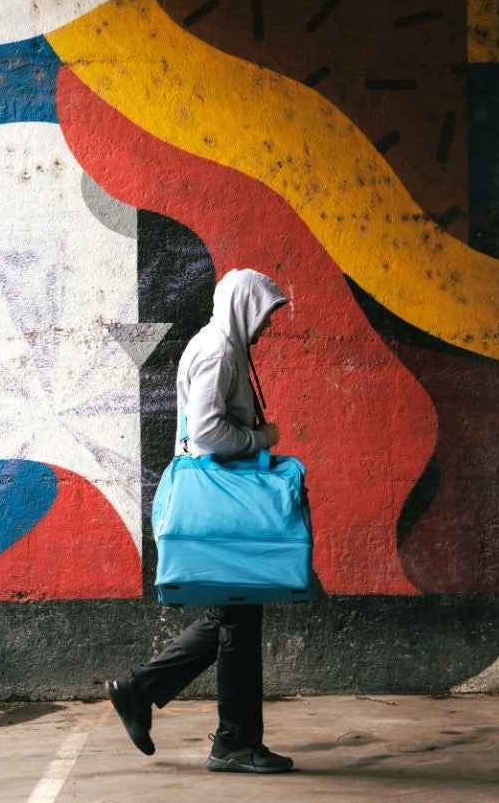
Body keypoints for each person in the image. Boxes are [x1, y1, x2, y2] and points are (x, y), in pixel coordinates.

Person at [106, 268, 294, 774]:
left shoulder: (223, 347)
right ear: (243, 307)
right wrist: (261, 439)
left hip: (222, 499)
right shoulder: (217, 352)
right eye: (264, 314)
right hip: (222, 502)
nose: (267, 325)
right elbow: (208, 433)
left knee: (234, 615)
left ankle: (143, 690)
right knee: (237, 615)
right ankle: (233, 743)